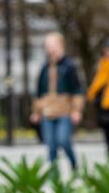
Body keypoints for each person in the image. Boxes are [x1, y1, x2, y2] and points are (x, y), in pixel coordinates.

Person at [30, 32, 83, 171]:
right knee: (50, 144)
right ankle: (54, 174)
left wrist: (76, 110)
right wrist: (36, 111)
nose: (50, 49)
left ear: (61, 46)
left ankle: (74, 165)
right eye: (47, 46)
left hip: (64, 110)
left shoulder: (69, 66)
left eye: (52, 45)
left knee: (63, 140)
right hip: (47, 110)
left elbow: (77, 90)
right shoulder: (44, 67)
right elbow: (39, 92)